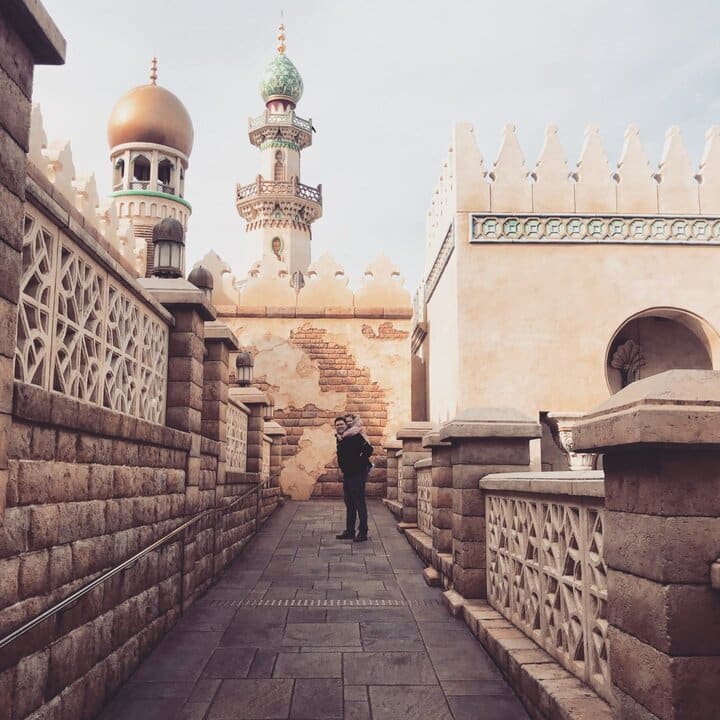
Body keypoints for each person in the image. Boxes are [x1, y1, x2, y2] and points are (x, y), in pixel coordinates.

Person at [334, 415, 373, 542]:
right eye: (337, 425)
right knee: (349, 503)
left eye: (342, 424)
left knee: (359, 503)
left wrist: (359, 463)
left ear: (346, 426)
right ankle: (350, 531)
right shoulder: (340, 438)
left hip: (357, 474)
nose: (340, 426)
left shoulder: (355, 436)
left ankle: (363, 532)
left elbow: (369, 449)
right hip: (348, 475)